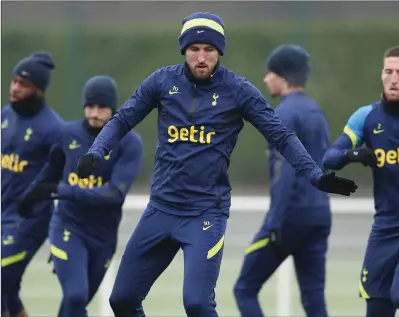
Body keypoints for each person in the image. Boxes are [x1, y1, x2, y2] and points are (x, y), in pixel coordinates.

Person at [75, 12, 357, 317]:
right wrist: (97, 150)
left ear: (219, 52)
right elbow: (122, 120)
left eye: (209, 49)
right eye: (194, 49)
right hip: (161, 209)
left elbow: (282, 137)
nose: (201, 57)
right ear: (183, 50)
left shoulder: (238, 90)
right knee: (122, 299)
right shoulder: (161, 81)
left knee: (196, 303)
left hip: (205, 213)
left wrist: (315, 175)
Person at [18, 75, 143, 317]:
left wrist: (64, 191)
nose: (95, 113)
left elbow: (114, 194)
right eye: (90, 106)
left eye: (101, 107)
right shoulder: (67, 134)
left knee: (76, 303)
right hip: (68, 227)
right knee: (75, 295)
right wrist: (29, 200)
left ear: (113, 109)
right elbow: (49, 175)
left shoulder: (129, 144)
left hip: (103, 236)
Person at [234, 44, 332, 317]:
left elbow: (285, 172)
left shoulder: (284, 114)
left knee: (244, 288)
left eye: (271, 72)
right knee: (314, 299)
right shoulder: (316, 111)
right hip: (320, 215)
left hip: (289, 219)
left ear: (284, 77)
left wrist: (275, 221)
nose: (266, 79)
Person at [323, 45, 399, 317]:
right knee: (377, 306)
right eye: (388, 71)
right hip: (386, 228)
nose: (393, 78)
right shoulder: (367, 117)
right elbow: (329, 157)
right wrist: (355, 154)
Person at [1, 51, 62, 317]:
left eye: (23, 84)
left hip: (29, 222)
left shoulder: (53, 129)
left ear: (38, 90)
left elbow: (65, 179)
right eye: (14, 81)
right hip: (2, 215)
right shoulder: (6, 115)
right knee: (9, 292)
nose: (15, 88)